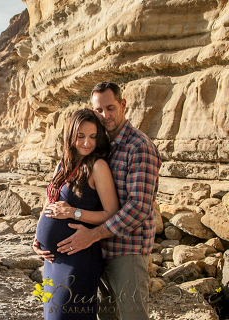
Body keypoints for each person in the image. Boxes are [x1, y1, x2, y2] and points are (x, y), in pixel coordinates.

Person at [53, 82, 162, 320]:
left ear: (123, 105)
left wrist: (92, 234)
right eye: (98, 110)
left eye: (110, 108)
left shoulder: (138, 147)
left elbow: (139, 208)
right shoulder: (98, 147)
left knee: (133, 316)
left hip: (127, 251)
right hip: (95, 251)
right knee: (106, 316)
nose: (105, 115)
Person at [33, 108, 120, 320]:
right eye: (80, 136)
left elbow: (111, 213)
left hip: (78, 257)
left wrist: (74, 213)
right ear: (71, 136)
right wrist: (37, 238)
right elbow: (49, 204)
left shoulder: (97, 166)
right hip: (52, 260)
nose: (87, 143)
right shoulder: (63, 165)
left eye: (92, 137)